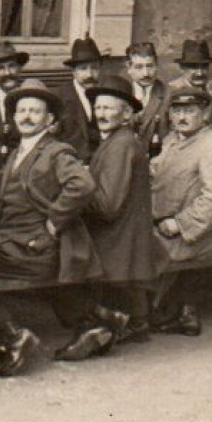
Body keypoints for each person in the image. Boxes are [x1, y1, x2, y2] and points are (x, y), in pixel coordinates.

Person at [0, 80, 96, 378]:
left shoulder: (56, 151)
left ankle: (12, 337)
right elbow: (12, 194)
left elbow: (83, 185)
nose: (27, 116)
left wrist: (54, 221)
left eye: (35, 111)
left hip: (34, 249)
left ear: (50, 120)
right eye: (21, 110)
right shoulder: (18, 151)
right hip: (13, 245)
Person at [62, 74, 160, 354]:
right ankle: (119, 318)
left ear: (126, 113)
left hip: (117, 240)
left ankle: (101, 320)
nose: (101, 113)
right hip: (121, 238)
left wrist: (78, 186)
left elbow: (108, 206)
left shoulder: (122, 144)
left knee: (60, 253)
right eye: (98, 107)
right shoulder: (116, 141)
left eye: (109, 107)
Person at [148, 88, 212, 336]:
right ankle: (148, 310)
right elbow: (158, 171)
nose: (182, 117)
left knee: (137, 249)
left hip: (195, 235)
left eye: (189, 111)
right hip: (165, 224)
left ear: (205, 114)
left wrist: (178, 224)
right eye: (177, 111)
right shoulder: (173, 140)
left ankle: (138, 315)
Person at [57, 36, 108, 157]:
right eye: (83, 69)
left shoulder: (106, 94)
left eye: (94, 68)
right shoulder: (59, 97)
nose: (90, 74)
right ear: (73, 71)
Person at [125, 42, 170, 157]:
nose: (146, 73)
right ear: (129, 68)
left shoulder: (169, 95)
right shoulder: (121, 93)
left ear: (157, 66)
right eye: (139, 67)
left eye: (150, 66)